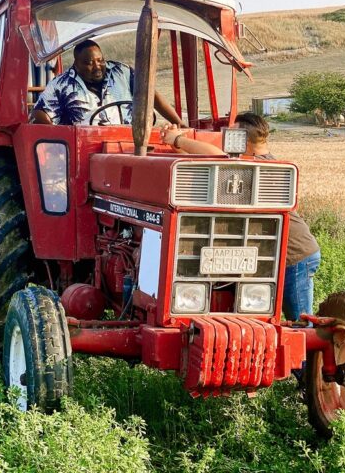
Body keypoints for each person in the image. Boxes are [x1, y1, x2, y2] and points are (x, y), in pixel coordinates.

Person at [159, 112, 321, 324]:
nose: (227, 143)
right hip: (276, 257)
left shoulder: (262, 168)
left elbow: (219, 158)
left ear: (243, 140)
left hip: (296, 256)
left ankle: (305, 358)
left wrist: (177, 139)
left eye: (232, 137)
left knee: (301, 325)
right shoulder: (257, 163)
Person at [31, 40, 183, 126]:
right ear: (76, 64)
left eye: (100, 60)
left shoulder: (121, 71)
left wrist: (180, 124)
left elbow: (151, 95)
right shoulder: (60, 85)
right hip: (83, 149)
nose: (97, 66)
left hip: (129, 140)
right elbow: (40, 113)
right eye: (89, 63)